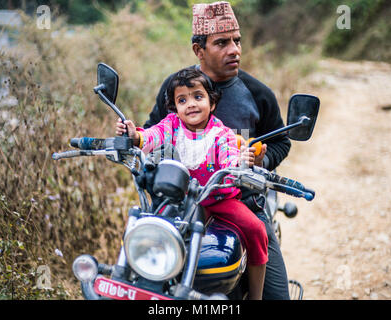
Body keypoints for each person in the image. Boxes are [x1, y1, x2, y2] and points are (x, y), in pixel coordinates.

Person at [118, 1, 291, 299]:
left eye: (237, 41)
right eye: (222, 43)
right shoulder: (176, 87)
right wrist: (133, 138)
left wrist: (260, 158)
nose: (234, 50)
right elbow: (153, 131)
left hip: (242, 200)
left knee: (276, 293)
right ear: (199, 50)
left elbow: (281, 142)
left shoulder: (258, 94)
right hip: (181, 203)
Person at [116, 67, 268, 300]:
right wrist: (134, 136)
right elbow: (151, 136)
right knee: (148, 227)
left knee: (256, 228)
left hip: (218, 199)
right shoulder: (171, 125)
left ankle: (256, 296)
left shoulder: (222, 134)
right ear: (175, 107)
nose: (191, 104)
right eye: (182, 100)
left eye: (198, 96)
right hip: (182, 200)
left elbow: (230, 158)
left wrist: (240, 161)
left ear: (212, 102)